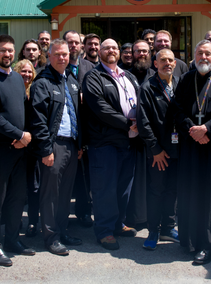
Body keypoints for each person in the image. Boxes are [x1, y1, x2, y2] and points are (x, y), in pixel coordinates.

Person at [173, 40, 211, 265]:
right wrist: (193, 130)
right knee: (190, 193)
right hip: (191, 146)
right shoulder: (185, 79)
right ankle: (190, 241)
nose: (203, 57)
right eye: (200, 53)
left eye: (208, 54)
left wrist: (206, 129)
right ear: (194, 56)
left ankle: (209, 244)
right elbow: (177, 108)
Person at [0, 34, 35, 266]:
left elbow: (24, 110)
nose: (7, 54)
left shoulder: (16, 79)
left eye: (10, 50)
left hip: (19, 150)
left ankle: (12, 240)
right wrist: (18, 135)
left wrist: (25, 137)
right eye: (2, 50)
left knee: (16, 198)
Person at [82, 39, 140, 250]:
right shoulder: (94, 77)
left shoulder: (129, 76)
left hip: (128, 141)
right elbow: (100, 108)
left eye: (115, 47)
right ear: (101, 52)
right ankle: (104, 231)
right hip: (104, 142)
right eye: (107, 48)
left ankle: (118, 223)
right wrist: (127, 124)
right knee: (104, 188)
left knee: (124, 187)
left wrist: (140, 123)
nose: (111, 51)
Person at [29, 39, 83, 256]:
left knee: (65, 194)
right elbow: (38, 120)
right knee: (50, 194)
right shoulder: (42, 82)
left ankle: (62, 231)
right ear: (49, 56)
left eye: (65, 54)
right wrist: (46, 149)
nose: (62, 58)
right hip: (53, 146)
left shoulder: (71, 80)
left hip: (71, 144)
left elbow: (78, 115)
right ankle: (51, 237)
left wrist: (79, 144)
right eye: (58, 54)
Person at [136, 48, 181, 251]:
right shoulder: (148, 87)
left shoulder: (181, 83)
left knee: (172, 190)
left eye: (171, 60)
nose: (167, 64)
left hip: (177, 150)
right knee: (156, 191)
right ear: (155, 63)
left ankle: (169, 228)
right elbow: (143, 121)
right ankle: (153, 230)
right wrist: (155, 149)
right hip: (158, 152)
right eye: (163, 60)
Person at [63, 30, 96, 228]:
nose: (73, 46)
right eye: (69, 42)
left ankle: (84, 212)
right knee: (66, 176)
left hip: (87, 129)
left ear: (82, 46)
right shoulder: (57, 66)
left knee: (86, 175)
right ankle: (62, 216)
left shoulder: (91, 67)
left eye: (76, 42)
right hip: (66, 130)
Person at [125, 39, 152, 228]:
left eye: (144, 51)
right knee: (134, 181)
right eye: (137, 51)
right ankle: (135, 217)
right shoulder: (125, 75)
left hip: (153, 137)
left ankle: (152, 217)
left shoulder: (156, 75)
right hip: (132, 137)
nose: (141, 54)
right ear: (131, 54)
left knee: (152, 181)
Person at [14, 58, 40, 237]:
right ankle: (15, 222)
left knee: (34, 186)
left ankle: (33, 222)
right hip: (15, 144)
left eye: (30, 71)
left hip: (33, 146)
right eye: (23, 71)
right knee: (16, 188)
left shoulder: (35, 91)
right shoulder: (12, 90)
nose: (27, 74)